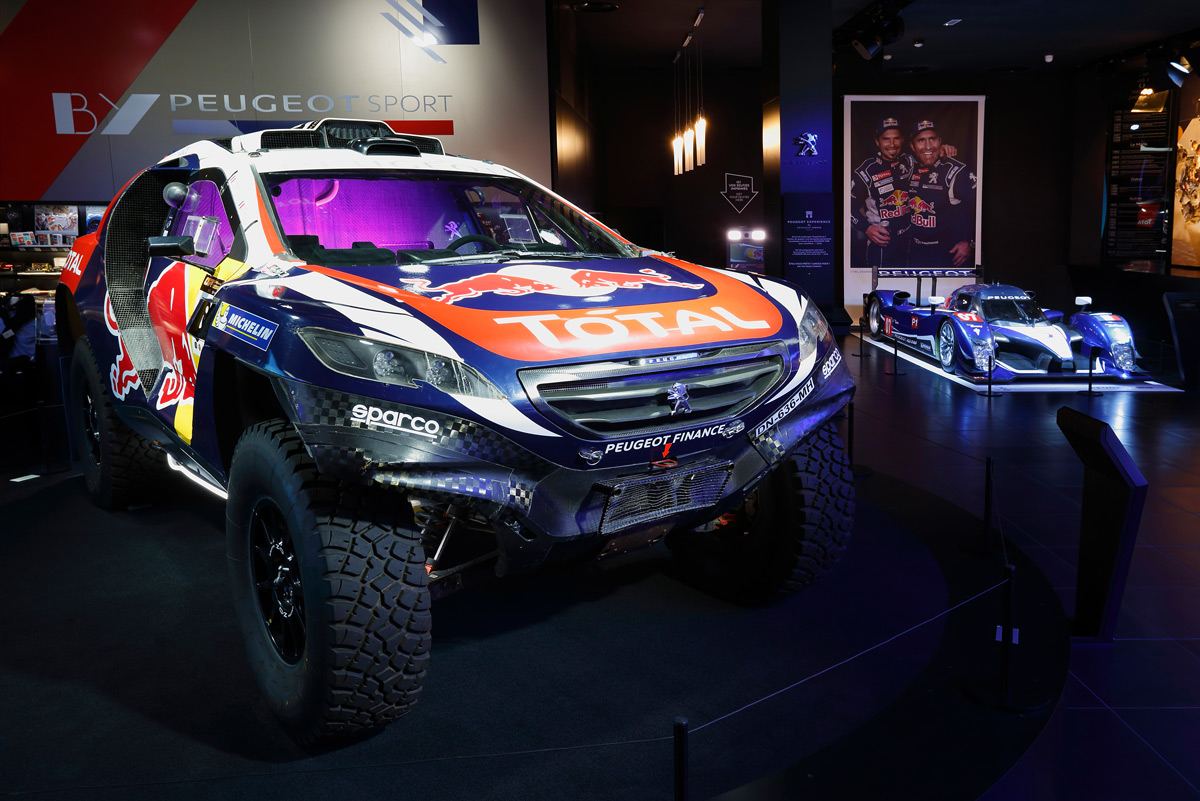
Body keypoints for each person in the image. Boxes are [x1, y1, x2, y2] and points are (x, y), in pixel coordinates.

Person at [904, 119, 977, 271]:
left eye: (933, 139)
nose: (928, 146)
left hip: (948, 255)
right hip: (914, 253)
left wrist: (971, 242)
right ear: (912, 146)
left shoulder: (956, 172)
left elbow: (982, 207)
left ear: (940, 141)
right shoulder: (907, 168)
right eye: (921, 141)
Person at [849, 117, 914, 270]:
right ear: (877, 142)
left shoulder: (909, 161)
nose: (892, 144)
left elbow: (928, 157)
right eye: (886, 139)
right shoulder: (865, 172)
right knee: (880, 285)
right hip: (882, 244)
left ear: (902, 140)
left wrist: (943, 149)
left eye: (896, 138)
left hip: (910, 240)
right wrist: (866, 228)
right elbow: (846, 207)